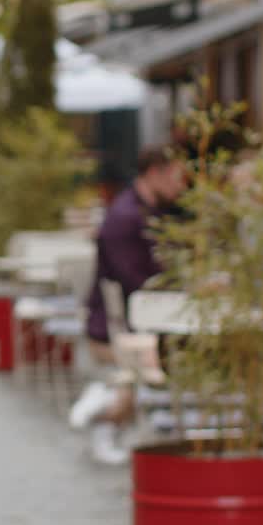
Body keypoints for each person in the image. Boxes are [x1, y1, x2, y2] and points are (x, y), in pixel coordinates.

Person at [70, 147, 187, 465]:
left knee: (157, 366)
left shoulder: (150, 212)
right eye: (176, 176)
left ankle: (108, 407)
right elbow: (138, 282)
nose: (182, 185)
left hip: (139, 324)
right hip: (116, 329)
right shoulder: (126, 217)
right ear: (155, 173)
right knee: (155, 367)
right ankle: (105, 407)